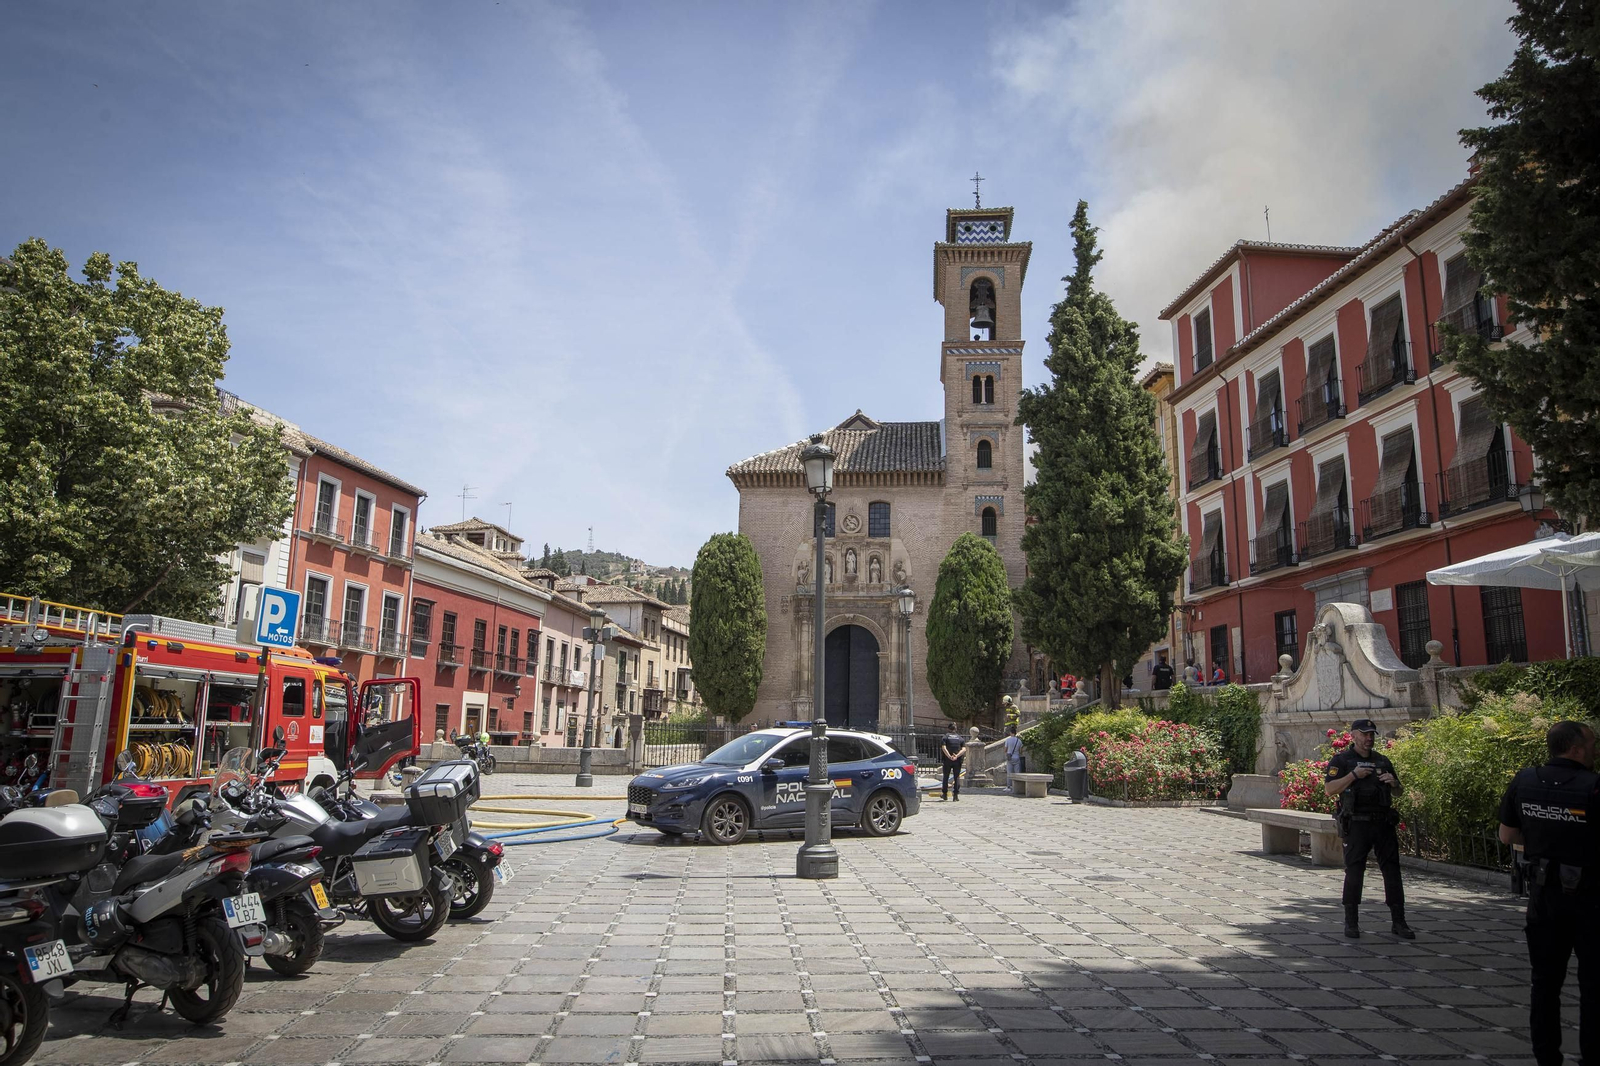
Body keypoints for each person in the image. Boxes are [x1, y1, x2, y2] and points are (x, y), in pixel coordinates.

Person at [1497, 720, 1600, 1066]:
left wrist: (1544, 841)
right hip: (1590, 900)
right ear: (1575, 749)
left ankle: (1547, 1059)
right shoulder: (1594, 786)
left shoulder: (1525, 780)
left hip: (1544, 896)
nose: (1595, 749)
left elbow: (1507, 835)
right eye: (1592, 743)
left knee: (1544, 985)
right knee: (1594, 987)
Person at [1324, 718, 1412, 939]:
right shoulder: (1342, 760)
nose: (1369, 738)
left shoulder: (1382, 760)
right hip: (1356, 824)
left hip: (1382, 823)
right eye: (1364, 734)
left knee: (1392, 871)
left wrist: (1394, 783)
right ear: (1353, 735)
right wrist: (1354, 775)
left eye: (1371, 734)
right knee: (1354, 871)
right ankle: (1351, 922)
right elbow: (1329, 789)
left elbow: (1399, 792)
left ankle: (1399, 921)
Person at [940, 729, 965, 801]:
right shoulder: (960, 738)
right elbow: (964, 749)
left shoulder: (945, 737)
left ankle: (945, 794)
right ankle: (956, 795)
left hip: (947, 760)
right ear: (956, 729)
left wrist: (949, 756)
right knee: (956, 777)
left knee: (946, 777)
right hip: (957, 760)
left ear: (948, 729)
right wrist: (956, 756)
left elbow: (944, 748)